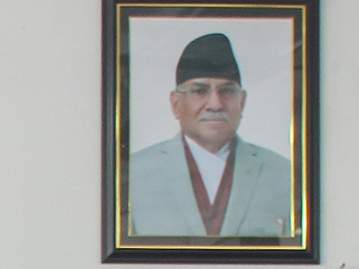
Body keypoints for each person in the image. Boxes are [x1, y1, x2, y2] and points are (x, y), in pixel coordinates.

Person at [123, 31, 293, 239]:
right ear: (175, 103)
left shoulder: (282, 174)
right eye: (199, 91)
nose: (215, 104)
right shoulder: (134, 173)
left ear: (243, 101)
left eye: (227, 91)